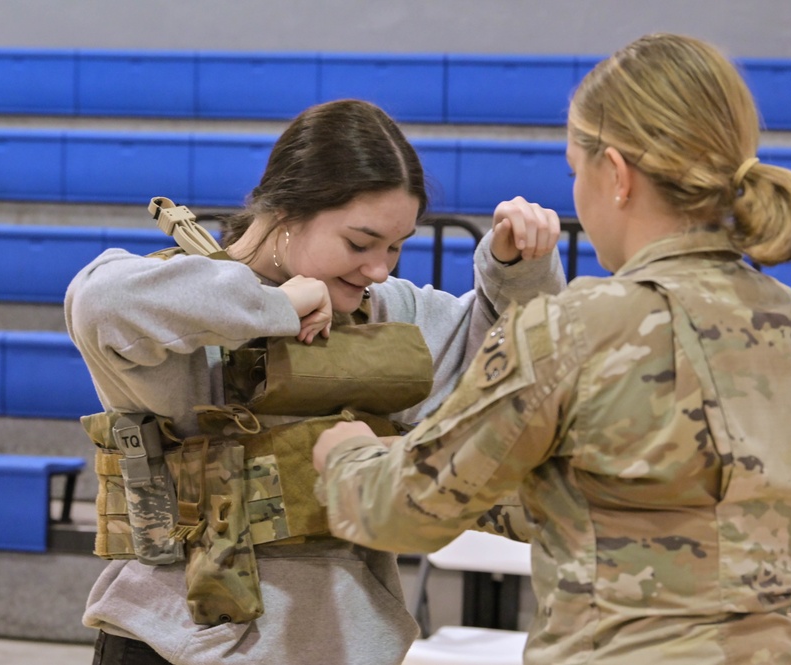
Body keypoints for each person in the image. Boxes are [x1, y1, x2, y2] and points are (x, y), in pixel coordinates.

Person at [312, 33, 791, 665]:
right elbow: (616, 505)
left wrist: (347, 456)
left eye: (575, 169)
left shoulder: (577, 329)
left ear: (616, 174)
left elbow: (403, 514)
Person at [65, 98, 566, 665]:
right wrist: (276, 306)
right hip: (176, 647)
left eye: (396, 247)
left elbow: (509, 375)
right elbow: (98, 302)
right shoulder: (183, 305)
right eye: (358, 243)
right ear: (287, 213)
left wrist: (517, 270)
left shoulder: (382, 310)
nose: (379, 268)